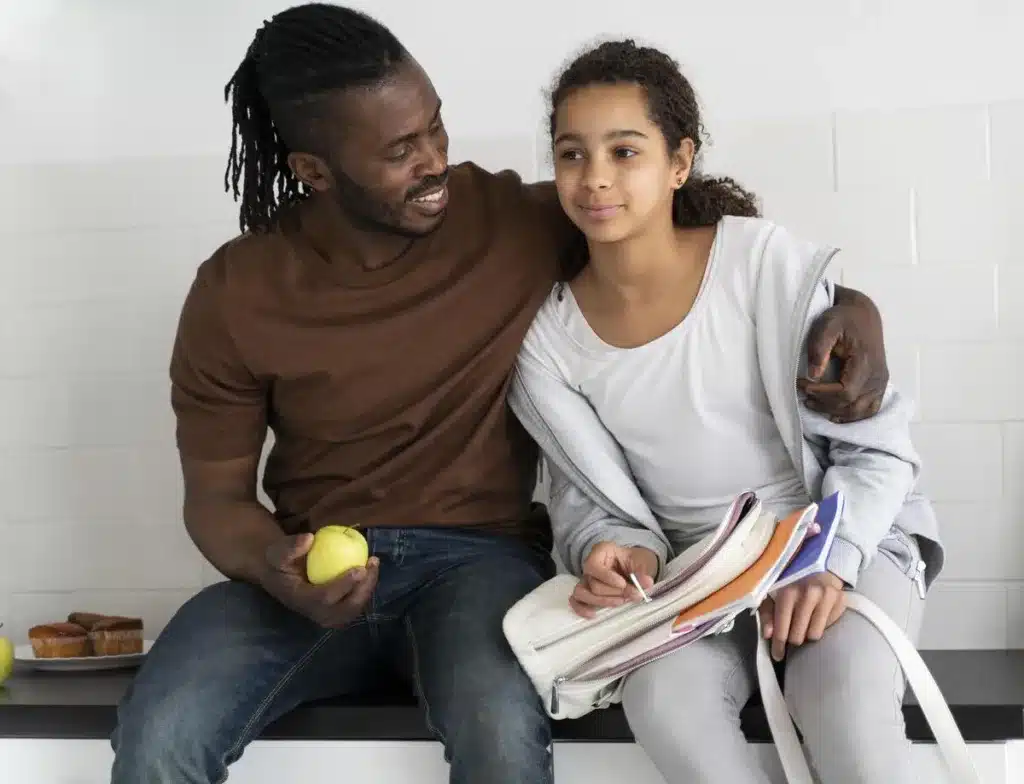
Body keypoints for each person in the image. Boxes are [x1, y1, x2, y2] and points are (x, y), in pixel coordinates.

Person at [109, 5, 896, 784]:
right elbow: (213, 500)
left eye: (435, 129)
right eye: (399, 152)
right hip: (311, 564)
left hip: (477, 564)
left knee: (500, 734)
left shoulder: (505, 219)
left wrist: (849, 307)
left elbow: (675, 239)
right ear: (314, 170)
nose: (434, 164)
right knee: (159, 737)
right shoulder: (234, 292)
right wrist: (269, 561)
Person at [507, 39, 945, 784]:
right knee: (664, 704)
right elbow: (589, 500)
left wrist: (827, 567)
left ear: (679, 162)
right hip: (694, 583)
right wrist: (618, 552)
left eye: (625, 151)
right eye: (572, 154)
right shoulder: (549, 342)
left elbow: (876, 448)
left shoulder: (760, 265)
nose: (596, 179)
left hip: (840, 545)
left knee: (842, 707)